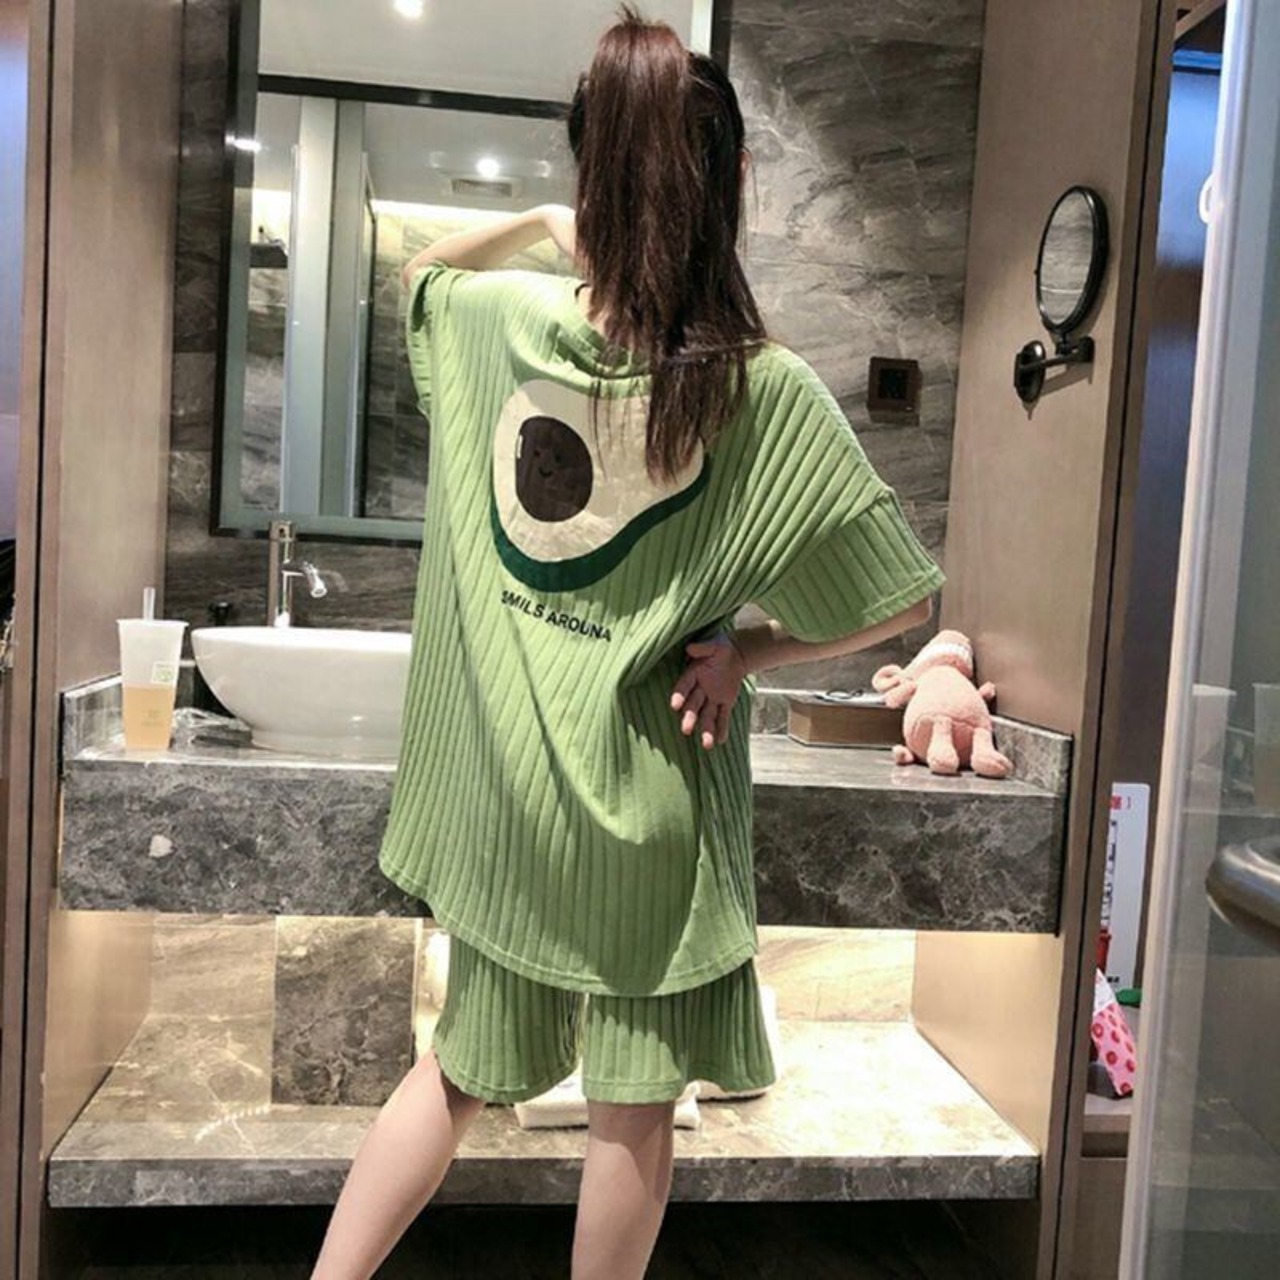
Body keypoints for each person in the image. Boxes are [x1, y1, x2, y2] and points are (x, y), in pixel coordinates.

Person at [311, 10, 942, 1279]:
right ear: (733, 180)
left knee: (454, 1075)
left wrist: (550, 228)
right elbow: (896, 603)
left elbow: (421, 272)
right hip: (648, 810)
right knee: (632, 1110)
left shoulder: (498, 323)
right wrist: (744, 656)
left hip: (509, 814)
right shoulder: (755, 387)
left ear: (589, 169)